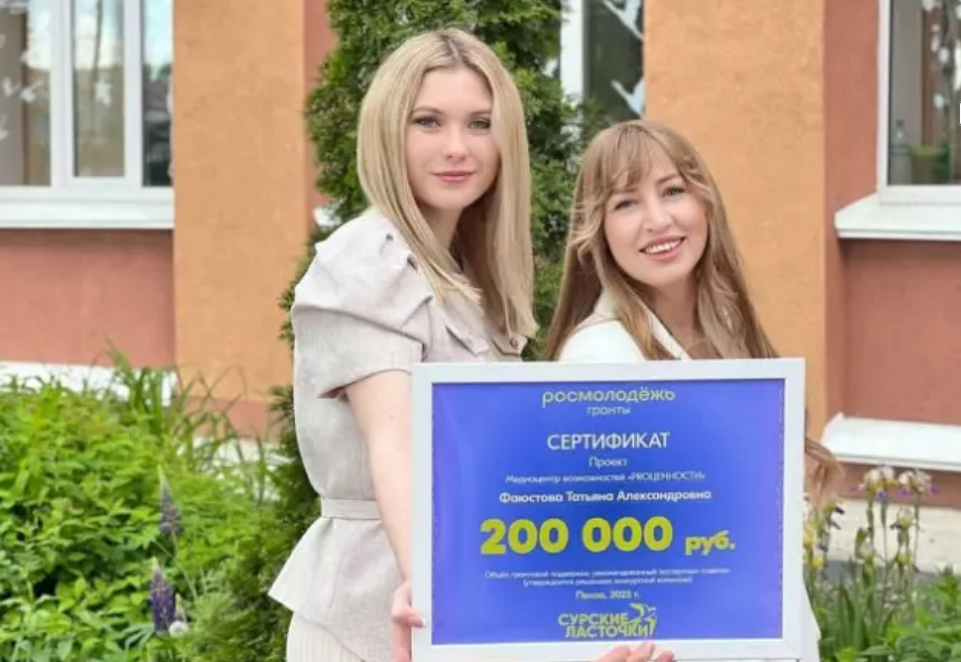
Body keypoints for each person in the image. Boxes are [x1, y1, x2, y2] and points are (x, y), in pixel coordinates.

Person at [269, 28, 662, 662]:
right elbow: (395, 445)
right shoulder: (367, 261)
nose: (458, 147)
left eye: (480, 123)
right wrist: (432, 592)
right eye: (428, 121)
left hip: (467, 606)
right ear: (388, 132)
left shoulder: (472, 277)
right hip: (379, 620)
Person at [541, 119, 842, 662]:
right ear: (597, 230)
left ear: (705, 201)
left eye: (673, 191)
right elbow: (595, 558)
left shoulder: (725, 329)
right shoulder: (598, 360)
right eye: (626, 203)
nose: (658, 220)